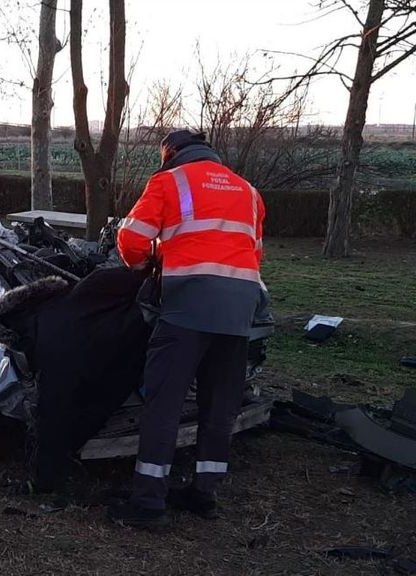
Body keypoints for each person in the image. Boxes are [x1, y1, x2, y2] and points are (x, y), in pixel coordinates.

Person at [109, 130, 266, 528]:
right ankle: (204, 494)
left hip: (188, 305)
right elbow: (254, 251)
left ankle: (148, 503)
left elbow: (132, 238)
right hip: (240, 307)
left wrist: (144, 265)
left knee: (164, 402)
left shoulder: (169, 180)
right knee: (219, 404)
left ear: (172, 153)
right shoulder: (248, 191)